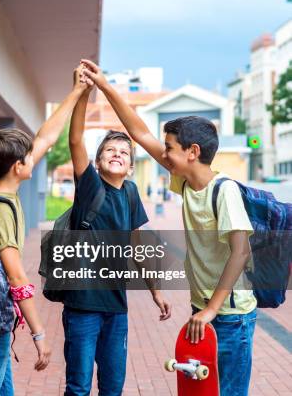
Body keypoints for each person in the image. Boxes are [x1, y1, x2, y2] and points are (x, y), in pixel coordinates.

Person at [84, 59, 256, 396]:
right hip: (203, 309)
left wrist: (210, 310)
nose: (164, 153)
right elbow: (139, 132)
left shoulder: (226, 191)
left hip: (230, 315)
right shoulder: (185, 181)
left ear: (192, 152)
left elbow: (241, 252)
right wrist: (104, 86)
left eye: (170, 148)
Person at [0, 62, 92, 396]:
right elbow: (17, 279)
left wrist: (77, 90)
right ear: (18, 166)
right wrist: (39, 335)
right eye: (29, 157)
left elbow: (46, 136)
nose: (36, 157)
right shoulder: (2, 211)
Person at [61, 83, 172, 395]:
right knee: (79, 387)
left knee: (113, 387)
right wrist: (83, 92)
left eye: (124, 152)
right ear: (98, 162)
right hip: (82, 305)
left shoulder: (131, 192)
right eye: (110, 150)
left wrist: (156, 291)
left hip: (116, 308)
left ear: (132, 167)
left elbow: (138, 247)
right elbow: (75, 140)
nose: (117, 154)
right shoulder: (90, 186)